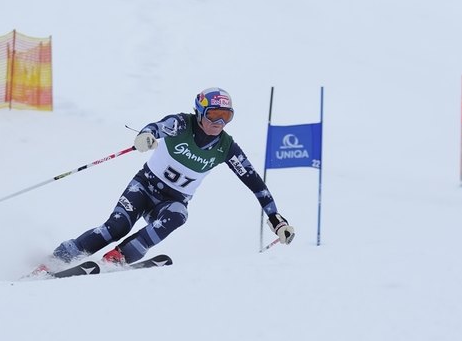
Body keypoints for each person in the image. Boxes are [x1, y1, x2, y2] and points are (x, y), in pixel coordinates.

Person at [51, 87, 295, 265]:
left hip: (172, 200)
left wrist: (275, 218)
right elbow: (157, 127)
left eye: (227, 116)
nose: (219, 122)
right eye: (213, 115)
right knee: (116, 227)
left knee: (178, 215)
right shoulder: (181, 124)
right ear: (200, 112)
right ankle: (60, 257)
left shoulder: (226, 147)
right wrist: (146, 135)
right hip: (144, 188)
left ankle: (118, 257)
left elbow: (254, 182)